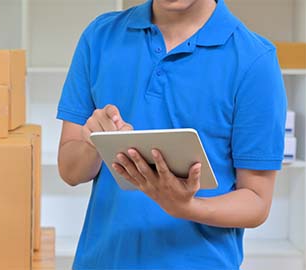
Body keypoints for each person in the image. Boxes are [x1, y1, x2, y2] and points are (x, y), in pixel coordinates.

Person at [56, 0, 287, 269]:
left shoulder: (254, 60)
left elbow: (257, 201)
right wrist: (93, 143)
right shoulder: (99, 37)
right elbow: (70, 171)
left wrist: (187, 207)